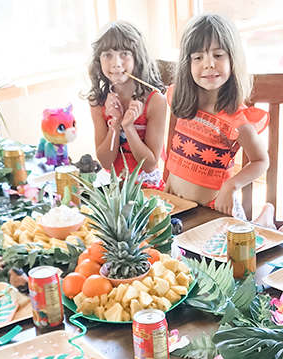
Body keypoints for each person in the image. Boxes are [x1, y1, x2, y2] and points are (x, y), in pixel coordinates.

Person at [163, 13, 269, 216]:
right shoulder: (183, 102)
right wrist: (171, 182)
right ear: (188, 64)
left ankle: (266, 218)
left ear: (232, 59)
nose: (209, 64)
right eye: (198, 57)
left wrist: (231, 186)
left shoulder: (236, 120)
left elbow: (261, 161)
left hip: (215, 213)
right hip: (179, 207)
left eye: (218, 55)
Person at [87, 21, 167, 187]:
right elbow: (106, 162)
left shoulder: (155, 101)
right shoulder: (98, 101)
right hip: (113, 186)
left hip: (145, 186)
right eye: (107, 54)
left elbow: (149, 165)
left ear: (137, 57)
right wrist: (115, 125)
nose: (116, 63)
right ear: (98, 60)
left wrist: (129, 127)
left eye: (124, 53)